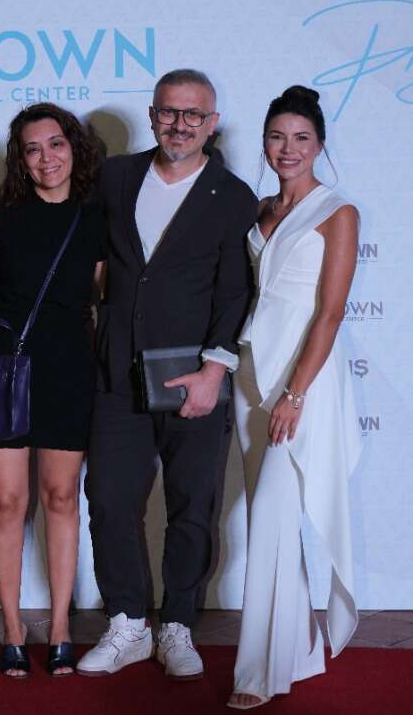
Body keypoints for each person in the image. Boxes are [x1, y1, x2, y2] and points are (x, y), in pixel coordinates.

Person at [76, 69, 258, 679]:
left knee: (192, 505)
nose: (180, 125)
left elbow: (235, 292)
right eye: (169, 112)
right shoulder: (116, 176)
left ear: (211, 123)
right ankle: (127, 623)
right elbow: (88, 253)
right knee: (108, 499)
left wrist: (214, 370)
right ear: (153, 116)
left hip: (193, 377)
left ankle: (177, 623)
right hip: (116, 373)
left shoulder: (233, 196)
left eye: (193, 114)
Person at [0, 103, 105, 678]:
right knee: (7, 503)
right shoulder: (0, 214)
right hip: (2, 374)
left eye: (56, 144)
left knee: (62, 499)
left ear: (73, 148)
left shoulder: (95, 216)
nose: (46, 158)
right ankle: (14, 630)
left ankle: (61, 628)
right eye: (33, 149)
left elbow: (104, 295)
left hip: (69, 372)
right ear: (20, 158)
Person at [228, 86, 362, 709]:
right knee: (271, 519)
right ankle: (300, 651)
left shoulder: (338, 211)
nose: (288, 148)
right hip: (251, 371)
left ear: (319, 145)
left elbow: (330, 313)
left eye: (301, 138)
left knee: (274, 514)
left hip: (301, 378)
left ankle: (258, 673)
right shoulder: (259, 209)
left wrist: (296, 393)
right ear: (264, 143)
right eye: (277, 137)